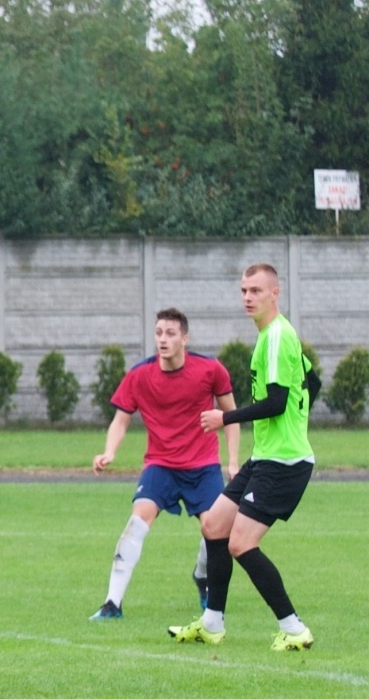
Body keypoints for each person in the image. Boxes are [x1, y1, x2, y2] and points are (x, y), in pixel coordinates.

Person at [171, 264, 316, 651]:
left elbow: (276, 402)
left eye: (255, 290)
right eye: (243, 291)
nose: (248, 298)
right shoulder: (277, 335)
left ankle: (294, 628)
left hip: (283, 463)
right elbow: (310, 381)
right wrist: (299, 420)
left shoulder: (274, 337)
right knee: (214, 526)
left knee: (240, 544)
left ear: (275, 293)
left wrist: (225, 418)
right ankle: (212, 623)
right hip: (267, 456)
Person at [90, 309, 239, 620]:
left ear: (184, 338)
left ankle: (201, 576)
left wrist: (233, 462)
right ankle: (112, 604)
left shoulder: (210, 370)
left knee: (215, 530)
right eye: (158, 333)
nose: (163, 339)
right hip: (160, 465)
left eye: (170, 333)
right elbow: (120, 421)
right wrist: (109, 452)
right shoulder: (140, 375)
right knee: (136, 523)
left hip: (203, 465)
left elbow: (231, 417)